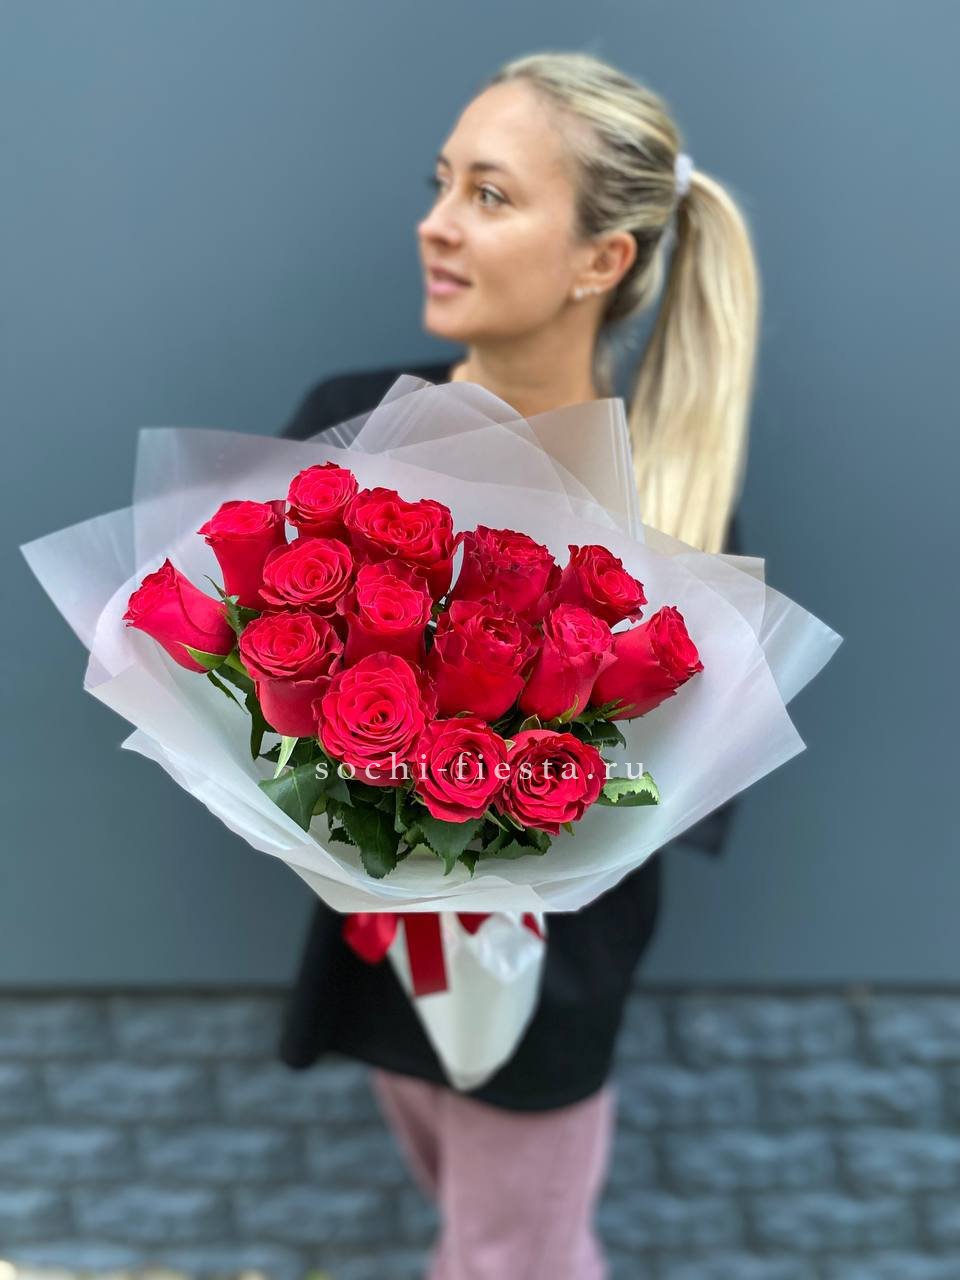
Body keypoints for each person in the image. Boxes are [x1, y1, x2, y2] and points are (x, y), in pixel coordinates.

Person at [277, 50, 760, 1280]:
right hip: (379, 954)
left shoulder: (668, 505)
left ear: (601, 260)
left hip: (547, 981)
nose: (437, 223)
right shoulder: (352, 425)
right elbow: (259, 697)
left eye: (489, 195)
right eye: (442, 183)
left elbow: (673, 795)